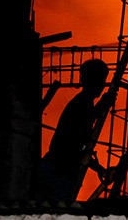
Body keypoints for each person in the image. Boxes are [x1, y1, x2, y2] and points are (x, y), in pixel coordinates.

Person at [37, 58, 114, 202]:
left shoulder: (83, 103)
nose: (103, 85)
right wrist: (99, 109)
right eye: (101, 80)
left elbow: (79, 148)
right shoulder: (81, 104)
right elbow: (74, 143)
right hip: (58, 173)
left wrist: (99, 169)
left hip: (56, 170)